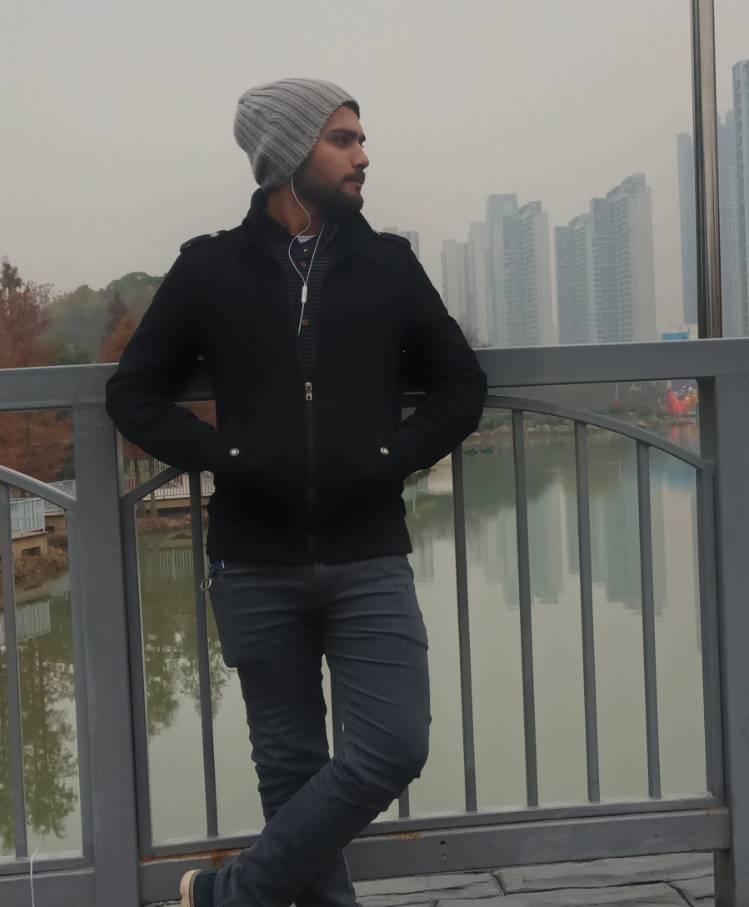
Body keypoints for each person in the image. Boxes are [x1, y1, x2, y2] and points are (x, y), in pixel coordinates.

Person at [105, 77, 487, 907]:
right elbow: (132, 394)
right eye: (343, 139)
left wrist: (393, 456)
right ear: (287, 155)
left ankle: (226, 896)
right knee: (290, 771)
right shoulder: (209, 268)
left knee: (392, 745)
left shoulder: (387, 265)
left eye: (360, 138)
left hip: (367, 552)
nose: (363, 155)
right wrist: (229, 456)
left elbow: (461, 384)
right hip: (252, 559)